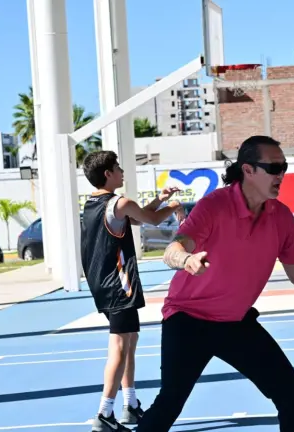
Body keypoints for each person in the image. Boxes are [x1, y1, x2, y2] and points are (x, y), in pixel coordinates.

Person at [136, 135, 294, 432]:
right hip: (188, 320)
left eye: (283, 167)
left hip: (236, 323)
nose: (281, 175)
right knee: (170, 402)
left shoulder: (281, 217)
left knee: (293, 396)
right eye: (273, 167)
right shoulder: (214, 206)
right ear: (247, 170)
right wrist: (187, 260)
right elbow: (173, 249)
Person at [81, 151, 184, 432]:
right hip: (118, 284)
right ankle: (104, 413)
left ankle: (130, 404)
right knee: (119, 345)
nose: (122, 170)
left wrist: (161, 198)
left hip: (104, 283)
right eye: (117, 167)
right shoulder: (120, 202)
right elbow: (150, 219)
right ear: (107, 174)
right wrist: (174, 205)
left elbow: (139, 217)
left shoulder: (94, 203)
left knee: (130, 340)